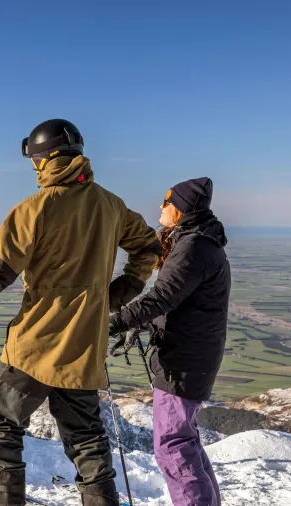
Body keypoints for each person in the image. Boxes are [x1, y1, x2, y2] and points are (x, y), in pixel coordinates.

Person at [0, 119, 162, 506]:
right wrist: (120, 292)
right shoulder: (111, 205)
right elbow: (149, 248)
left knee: (1, 427)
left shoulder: (34, 209)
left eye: (34, 160)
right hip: (83, 349)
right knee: (86, 439)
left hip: (34, 346)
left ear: (42, 159)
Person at [109, 177, 229, 506]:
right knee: (185, 443)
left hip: (183, 362)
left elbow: (162, 296)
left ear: (181, 210)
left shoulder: (193, 247)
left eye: (167, 202)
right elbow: (179, 301)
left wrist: (115, 323)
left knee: (172, 448)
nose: (161, 207)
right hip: (191, 356)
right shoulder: (200, 242)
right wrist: (141, 325)